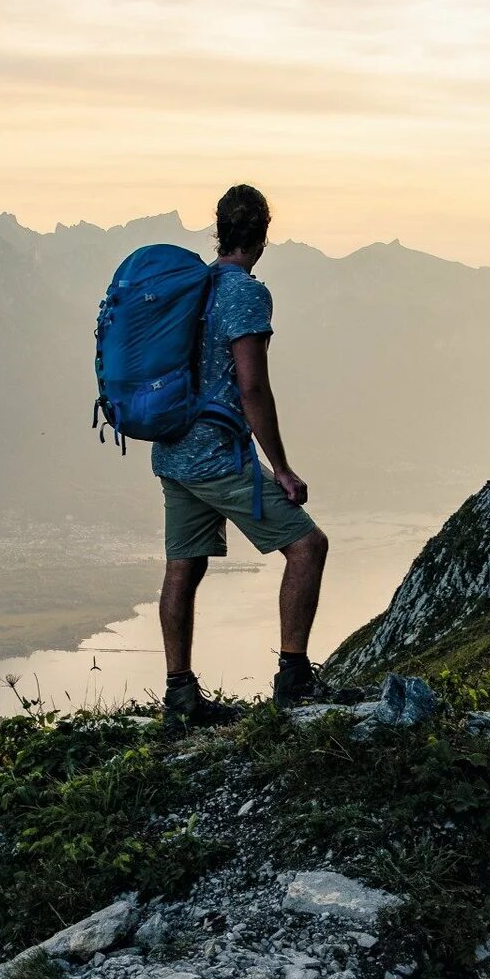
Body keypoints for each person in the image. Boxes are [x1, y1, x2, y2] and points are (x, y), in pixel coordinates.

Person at [158, 183, 328, 725]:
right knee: (308, 547)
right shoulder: (244, 293)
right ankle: (294, 679)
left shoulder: (194, 287)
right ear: (262, 235)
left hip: (173, 451)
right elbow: (252, 388)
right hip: (216, 457)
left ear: (219, 231)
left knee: (184, 564)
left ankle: (180, 694)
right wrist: (280, 467)